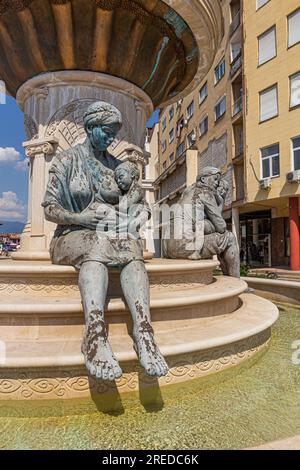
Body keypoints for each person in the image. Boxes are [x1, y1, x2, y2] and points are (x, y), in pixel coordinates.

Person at [42, 101, 168, 381]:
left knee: (133, 247)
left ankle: (144, 332)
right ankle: (95, 335)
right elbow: (50, 208)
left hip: (110, 236)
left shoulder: (117, 166)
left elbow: (143, 205)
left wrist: (134, 220)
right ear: (90, 128)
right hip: (69, 235)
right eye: (107, 131)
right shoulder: (67, 160)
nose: (112, 138)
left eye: (115, 132)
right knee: (96, 246)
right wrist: (81, 218)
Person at [163, 166, 240, 278]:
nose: (216, 183)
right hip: (184, 245)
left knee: (207, 232)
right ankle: (235, 282)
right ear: (203, 179)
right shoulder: (205, 192)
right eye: (215, 179)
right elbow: (221, 226)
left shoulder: (188, 191)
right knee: (229, 238)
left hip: (168, 247)